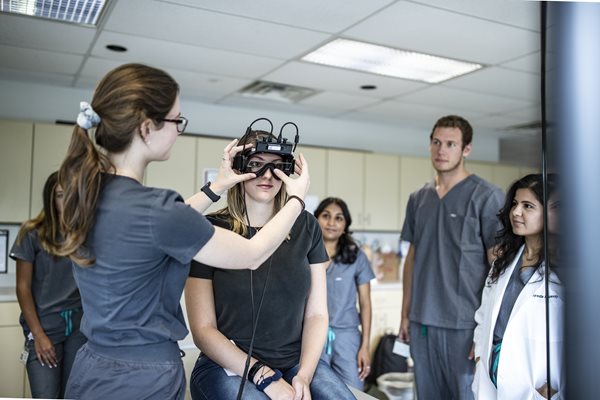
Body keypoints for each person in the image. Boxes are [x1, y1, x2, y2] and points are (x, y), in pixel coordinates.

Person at [55, 63, 310, 400]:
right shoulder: (155, 209)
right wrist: (295, 198)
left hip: (92, 366)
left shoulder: (88, 196)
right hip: (143, 379)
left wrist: (216, 186)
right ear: (147, 127)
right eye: (177, 121)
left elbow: (164, 225)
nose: (178, 130)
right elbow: (252, 254)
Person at [186, 130, 355, 400]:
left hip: (294, 363)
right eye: (256, 164)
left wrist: (305, 375)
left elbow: (317, 314)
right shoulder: (211, 230)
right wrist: (265, 378)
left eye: (277, 167)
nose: (267, 175)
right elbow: (203, 330)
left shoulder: (306, 226)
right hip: (228, 366)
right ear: (239, 168)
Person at [398, 115, 505, 399]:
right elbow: (412, 257)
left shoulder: (486, 197)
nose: (441, 150)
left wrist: (488, 329)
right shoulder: (418, 198)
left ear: (466, 149)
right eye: (436, 142)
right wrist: (405, 313)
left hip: (465, 324)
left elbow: (499, 267)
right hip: (422, 321)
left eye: (450, 144)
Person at [472, 174, 564, 399]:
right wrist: (480, 357)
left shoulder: (568, 269)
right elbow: (484, 315)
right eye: (514, 204)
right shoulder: (503, 261)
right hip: (492, 374)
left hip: (540, 383)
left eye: (528, 206)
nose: (515, 212)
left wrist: (562, 383)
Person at [10, 171, 86, 398]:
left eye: (71, 195)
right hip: (45, 328)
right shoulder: (32, 233)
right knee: (46, 395)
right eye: (61, 195)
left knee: (74, 394)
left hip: (79, 328)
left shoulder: (84, 234)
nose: (67, 201)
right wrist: (38, 335)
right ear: (50, 199)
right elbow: (22, 288)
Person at [314, 197, 375, 390]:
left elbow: (365, 303)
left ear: (345, 224)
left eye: (339, 218)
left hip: (347, 337)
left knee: (353, 390)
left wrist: (365, 346)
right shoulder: (303, 253)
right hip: (312, 334)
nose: (332, 223)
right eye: (326, 216)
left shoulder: (356, 256)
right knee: (317, 389)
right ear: (316, 219)